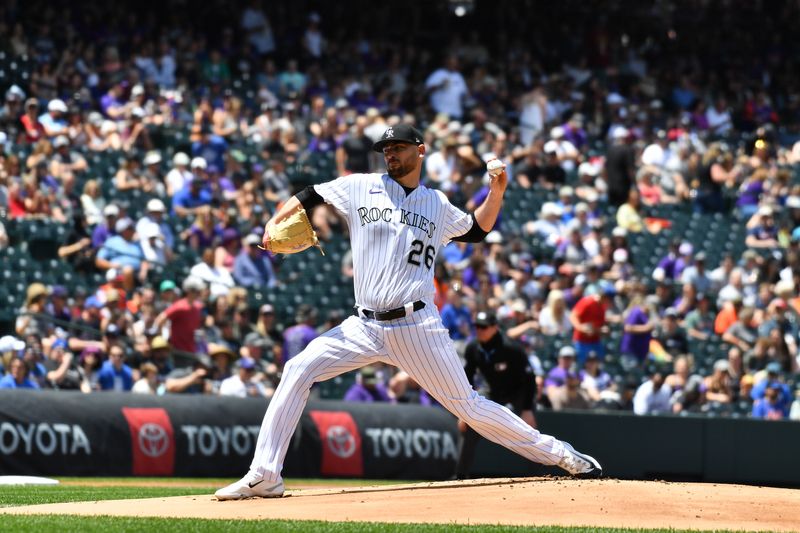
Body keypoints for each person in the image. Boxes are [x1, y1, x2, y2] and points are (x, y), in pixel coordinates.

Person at [216, 124, 601, 500]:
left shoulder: (436, 203)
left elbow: (476, 231)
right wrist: (275, 219)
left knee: (468, 405)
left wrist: (496, 192)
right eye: (385, 149)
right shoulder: (359, 186)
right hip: (363, 325)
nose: (390, 153)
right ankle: (265, 475)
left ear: (420, 150)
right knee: (298, 369)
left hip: (415, 325)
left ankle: (563, 455)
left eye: (398, 147)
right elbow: (309, 194)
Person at [454, 310, 537, 479]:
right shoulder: (473, 347)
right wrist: (463, 411)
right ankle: (460, 476)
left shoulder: (511, 348)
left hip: (516, 394)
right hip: (492, 392)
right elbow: (467, 377)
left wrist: (527, 409)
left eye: (484, 327)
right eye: (477, 326)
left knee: (521, 431)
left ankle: (536, 474)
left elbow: (529, 378)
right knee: (470, 426)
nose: (479, 330)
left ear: (495, 328)